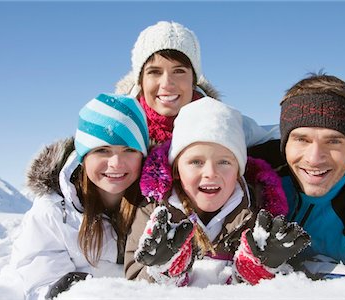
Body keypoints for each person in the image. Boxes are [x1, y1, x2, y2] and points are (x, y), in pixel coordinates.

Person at [124, 97, 310, 286]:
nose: (211, 173)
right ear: (176, 170)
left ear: (238, 170)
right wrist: (161, 271)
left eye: (224, 162)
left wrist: (255, 273)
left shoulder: (256, 214)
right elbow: (134, 275)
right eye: (196, 162)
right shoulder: (155, 211)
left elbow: (285, 282)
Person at [252, 73, 345, 281]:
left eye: (333, 142)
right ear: (285, 144)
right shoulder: (258, 167)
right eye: (302, 139)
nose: (314, 158)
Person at [11, 93, 149, 299]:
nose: (116, 163)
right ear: (83, 157)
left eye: (129, 150)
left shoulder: (154, 204)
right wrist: (59, 291)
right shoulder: (54, 211)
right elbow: (39, 273)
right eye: (103, 150)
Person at [115, 20, 279, 147]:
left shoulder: (221, 123)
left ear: (193, 79)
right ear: (140, 81)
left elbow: (277, 135)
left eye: (179, 71)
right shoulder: (117, 129)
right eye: (154, 72)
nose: (166, 83)